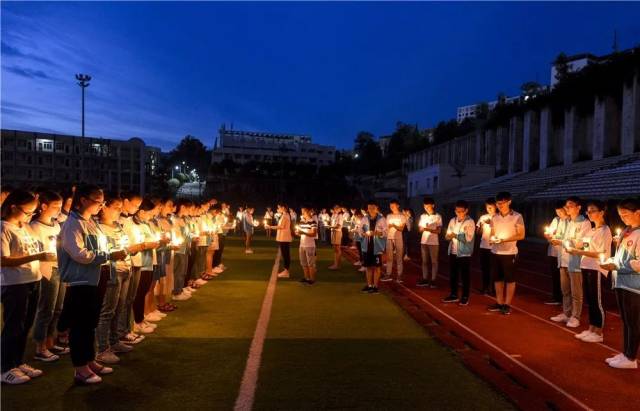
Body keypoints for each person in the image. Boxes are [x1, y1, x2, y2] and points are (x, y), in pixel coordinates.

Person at [59, 184, 127, 384]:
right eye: (98, 201)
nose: (101, 205)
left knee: (90, 324)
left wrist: (111, 253)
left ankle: (89, 360)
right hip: (81, 280)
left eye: (102, 201)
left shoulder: (90, 222)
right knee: (80, 326)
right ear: (83, 200)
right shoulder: (72, 224)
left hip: (96, 278)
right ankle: (80, 368)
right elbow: (79, 254)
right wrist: (108, 255)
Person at [1, 189, 55, 384]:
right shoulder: (4, 228)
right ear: (13, 207)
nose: (30, 216)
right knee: (13, 326)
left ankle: (18, 361)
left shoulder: (24, 227)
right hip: (14, 284)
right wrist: (37, 257)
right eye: (28, 212)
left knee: (25, 326)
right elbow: (3, 260)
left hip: (32, 280)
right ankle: (5, 367)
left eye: (33, 212)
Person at [600, 198, 640, 369]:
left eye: (626, 214)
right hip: (621, 282)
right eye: (620, 215)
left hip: (634, 285)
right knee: (626, 320)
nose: (623, 218)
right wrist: (612, 261)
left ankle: (631, 358)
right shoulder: (627, 231)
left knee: (634, 322)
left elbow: (638, 264)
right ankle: (625, 353)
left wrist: (616, 265)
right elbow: (622, 257)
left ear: (638, 212)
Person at [31, 190, 69, 363]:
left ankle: (50, 341)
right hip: (46, 271)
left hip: (59, 268)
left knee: (58, 308)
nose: (58, 210)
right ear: (43, 206)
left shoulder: (56, 225)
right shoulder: (34, 227)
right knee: (46, 308)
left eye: (60, 207)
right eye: (55, 206)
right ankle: (40, 347)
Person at [568, 200, 612, 343]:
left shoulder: (605, 230)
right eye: (588, 211)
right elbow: (585, 247)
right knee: (591, 300)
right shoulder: (591, 230)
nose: (589, 214)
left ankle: (599, 332)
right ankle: (591, 328)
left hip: (597, 268)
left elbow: (601, 252)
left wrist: (577, 251)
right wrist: (573, 245)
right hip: (586, 266)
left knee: (597, 301)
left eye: (592, 210)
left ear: (601, 212)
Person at [550, 197, 591, 328]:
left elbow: (584, 243)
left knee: (576, 292)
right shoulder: (566, 222)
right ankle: (566, 313)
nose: (567, 209)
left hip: (575, 262)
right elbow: (561, 237)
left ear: (579, 207)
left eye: (570, 206)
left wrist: (563, 242)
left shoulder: (584, 223)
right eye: (566, 207)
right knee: (565, 290)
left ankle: (575, 316)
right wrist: (554, 238)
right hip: (563, 260)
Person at [487, 192, 525, 316]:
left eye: (502, 203)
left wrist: (504, 240)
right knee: (497, 279)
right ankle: (499, 302)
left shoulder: (517, 216)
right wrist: (492, 239)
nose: (500, 206)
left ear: (509, 202)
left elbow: (521, 235)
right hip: (495, 252)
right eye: (498, 203)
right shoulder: (494, 217)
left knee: (510, 279)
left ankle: (507, 304)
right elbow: (492, 233)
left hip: (509, 253)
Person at [442, 200, 475, 305]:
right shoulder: (453, 220)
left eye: (461, 211)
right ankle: (454, 295)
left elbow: (468, 238)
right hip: (453, 251)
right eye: (457, 211)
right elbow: (448, 234)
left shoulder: (470, 222)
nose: (459, 213)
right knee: (453, 275)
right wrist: (448, 236)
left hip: (464, 253)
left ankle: (465, 296)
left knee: (465, 276)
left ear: (466, 211)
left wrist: (454, 235)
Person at [543, 201, 568, 305]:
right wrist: (548, 237)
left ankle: (563, 298)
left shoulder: (570, 221)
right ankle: (556, 296)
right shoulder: (556, 220)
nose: (559, 214)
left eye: (561, 211)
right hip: (554, 252)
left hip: (564, 254)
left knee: (565, 278)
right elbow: (550, 234)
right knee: (555, 276)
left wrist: (559, 240)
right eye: (557, 212)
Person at [359, 200, 388, 294]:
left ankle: (375, 286)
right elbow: (359, 229)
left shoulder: (382, 219)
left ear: (377, 208)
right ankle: (369, 285)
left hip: (377, 246)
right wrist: (363, 234)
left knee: (376, 267)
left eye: (373, 208)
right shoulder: (364, 218)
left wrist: (376, 233)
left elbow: (386, 232)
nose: (370, 210)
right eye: (369, 208)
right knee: (368, 267)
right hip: (366, 246)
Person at [417, 197, 442, 288]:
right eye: (425, 206)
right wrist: (425, 228)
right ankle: (424, 279)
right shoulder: (423, 216)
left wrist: (428, 229)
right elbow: (420, 229)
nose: (426, 208)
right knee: (424, 261)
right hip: (423, 241)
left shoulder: (437, 216)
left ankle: (433, 280)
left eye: (428, 206)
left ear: (433, 205)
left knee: (434, 261)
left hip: (434, 242)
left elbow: (438, 231)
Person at [382, 199, 406, 283]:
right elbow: (386, 227)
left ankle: (399, 275)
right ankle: (388, 274)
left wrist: (394, 225)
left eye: (393, 205)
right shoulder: (388, 216)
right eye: (390, 206)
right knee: (389, 257)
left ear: (398, 206)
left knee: (399, 257)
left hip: (398, 237)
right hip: (389, 237)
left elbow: (401, 228)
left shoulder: (402, 216)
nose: (391, 207)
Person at [265, 203, 292, 278]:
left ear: (283, 208)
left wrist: (269, 226)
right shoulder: (285, 215)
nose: (278, 209)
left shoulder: (285, 216)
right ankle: (286, 271)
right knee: (285, 254)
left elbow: (281, 226)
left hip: (284, 238)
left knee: (285, 255)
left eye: (279, 208)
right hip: (284, 237)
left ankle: (286, 271)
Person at [476, 198, 497, 295]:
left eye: (491, 207)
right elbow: (478, 232)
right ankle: (485, 287)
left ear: (495, 207)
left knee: (494, 269)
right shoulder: (483, 217)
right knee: (484, 268)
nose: (489, 209)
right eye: (487, 207)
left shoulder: (498, 217)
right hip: (483, 246)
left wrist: (491, 223)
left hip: (494, 247)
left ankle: (493, 289)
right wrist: (481, 225)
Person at [295, 206, 318, 285]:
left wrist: (303, 232)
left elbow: (314, 234)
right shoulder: (301, 221)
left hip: (310, 245)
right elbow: (300, 232)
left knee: (310, 263)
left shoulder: (313, 222)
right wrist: (297, 233)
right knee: (303, 263)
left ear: (308, 212)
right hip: (302, 244)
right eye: (302, 211)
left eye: (304, 211)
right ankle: (306, 277)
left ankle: (312, 279)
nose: (302, 213)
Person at [328, 205, 343, 270]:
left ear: (339, 209)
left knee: (337, 249)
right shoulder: (334, 215)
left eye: (337, 208)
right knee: (335, 249)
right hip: (333, 231)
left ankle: (336, 264)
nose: (335, 209)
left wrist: (331, 227)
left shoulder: (340, 216)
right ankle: (336, 263)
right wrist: (330, 225)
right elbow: (332, 223)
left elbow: (339, 226)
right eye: (335, 208)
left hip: (337, 232)